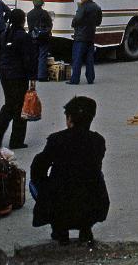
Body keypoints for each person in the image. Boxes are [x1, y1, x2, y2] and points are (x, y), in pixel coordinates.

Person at [31, 96, 109, 246]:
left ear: (70, 118)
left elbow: (38, 167)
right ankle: (85, 228)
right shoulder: (98, 141)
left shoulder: (56, 139)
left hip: (60, 201)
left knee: (37, 184)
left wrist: (45, 184)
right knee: (96, 177)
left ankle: (60, 229)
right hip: (92, 200)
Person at [0, 9, 36, 149]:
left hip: (4, 72)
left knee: (10, 103)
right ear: (23, 20)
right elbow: (28, 58)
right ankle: (16, 140)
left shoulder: (5, 34)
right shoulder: (24, 36)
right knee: (20, 107)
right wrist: (32, 77)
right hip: (18, 74)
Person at [69, 0, 102, 85]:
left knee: (77, 58)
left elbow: (77, 19)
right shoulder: (97, 7)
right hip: (91, 35)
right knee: (89, 59)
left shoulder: (82, 7)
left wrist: (74, 24)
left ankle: (75, 79)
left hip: (80, 36)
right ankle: (90, 78)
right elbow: (98, 22)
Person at [28, 0, 53, 82]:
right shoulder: (45, 13)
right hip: (43, 37)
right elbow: (50, 24)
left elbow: (30, 27)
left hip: (33, 37)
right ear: (42, 3)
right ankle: (42, 76)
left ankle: (33, 75)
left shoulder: (30, 14)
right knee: (42, 56)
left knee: (34, 56)